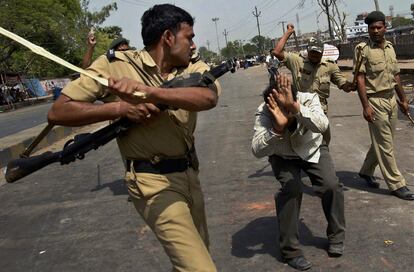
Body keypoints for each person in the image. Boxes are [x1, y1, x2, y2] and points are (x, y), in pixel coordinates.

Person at [48, 4, 221, 271]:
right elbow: (59, 111)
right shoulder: (114, 65)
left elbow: (207, 97)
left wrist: (147, 92)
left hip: (189, 175)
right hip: (151, 182)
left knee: (197, 257)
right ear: (168, 37)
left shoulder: (192, 67)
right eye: (189, 37)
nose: (193, 44)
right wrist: (120, 108)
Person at [251, 73, 345, 271]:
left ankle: (336, 236)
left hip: (312, 149)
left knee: (331, 185)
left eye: (286, 104)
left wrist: (295, 107)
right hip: (283, 156)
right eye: (279, 105)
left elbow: (322, 125)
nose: (283, 109)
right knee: (291, 189)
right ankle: (290, 251)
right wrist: (276, 129)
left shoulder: (307, 99)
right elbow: (257, 150)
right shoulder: (265, 111)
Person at [354, 11, 414, 200]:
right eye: (372, 28)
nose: (376, 31)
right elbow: (360, 79)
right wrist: (365, 106)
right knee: (385, 144)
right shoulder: (363, 49)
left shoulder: (390, 47)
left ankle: (366, 170)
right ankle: (397, 184)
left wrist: (403, 100)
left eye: (379, 27)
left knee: (383, 141)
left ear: (385, 28)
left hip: (391, 100)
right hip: (375, 101)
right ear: (368, 30)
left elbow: (396, 76)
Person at [273, 23, 356, 144]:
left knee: (324, 143)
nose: (314, 56)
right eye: (312, 52)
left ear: (322, 52)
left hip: (320, 113)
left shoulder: (330, 66)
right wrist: (289, 32)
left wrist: (352, 85)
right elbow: (277, 52)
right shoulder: (297, 61)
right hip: (300, 111)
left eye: (317, 53)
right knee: (300, 145)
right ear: (307, 50)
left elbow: (343, 85)